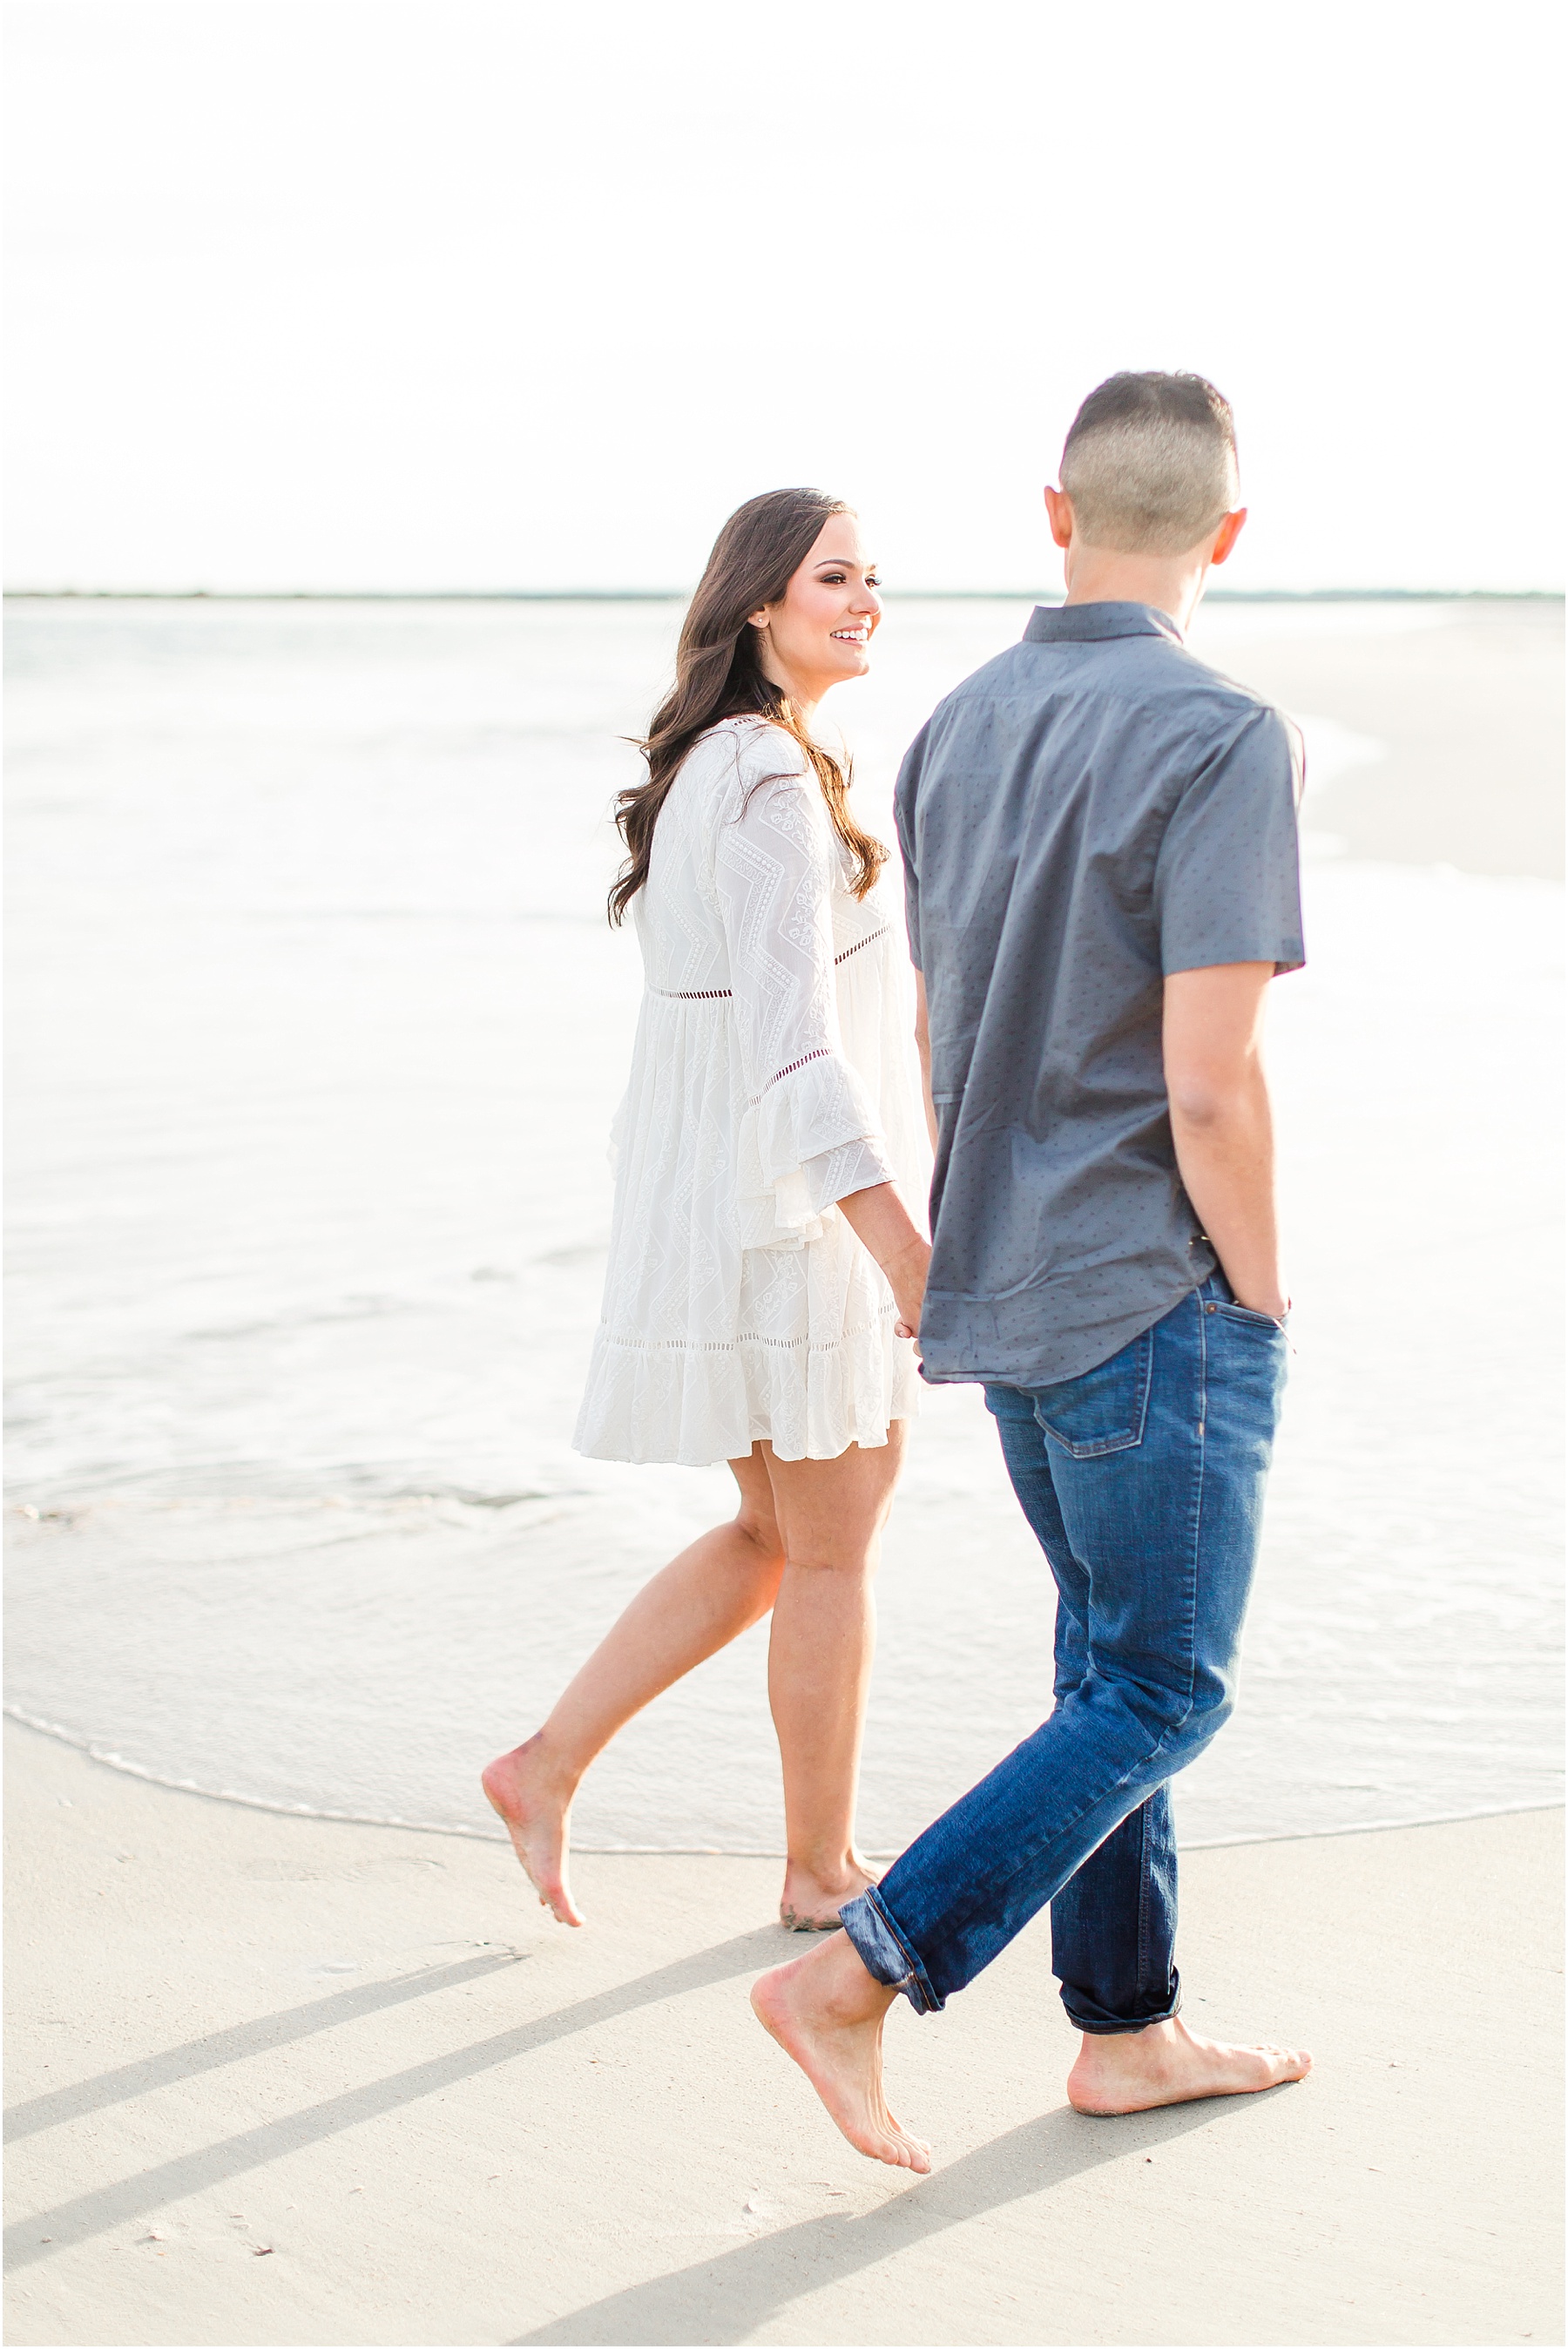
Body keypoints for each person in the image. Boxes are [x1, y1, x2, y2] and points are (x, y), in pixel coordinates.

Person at [751, 373, 1314, 2169]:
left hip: (1006, 1272)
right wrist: (1266, 1291)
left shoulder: (955, 727)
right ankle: (865, 1970)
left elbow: (936, 1030)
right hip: (1157, 1289)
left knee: (1103, 1665)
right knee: (1169, 1687)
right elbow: (1211, 1083)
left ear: (1054, 511)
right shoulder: (1223, 735)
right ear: (1227, 531)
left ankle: (1127, 2033)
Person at [483, 489, 931, 1934]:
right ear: (757, 602)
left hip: (723, 1191)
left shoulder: (725, 764)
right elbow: (794, 1050)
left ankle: (544, 1767)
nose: (864, 601)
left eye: (874, 578)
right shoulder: (766, 779)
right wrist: (905, 1255)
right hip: (786, 1210)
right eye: (834, 578)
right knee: (833, 1535)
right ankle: (816, 1871)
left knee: (773, 1534)